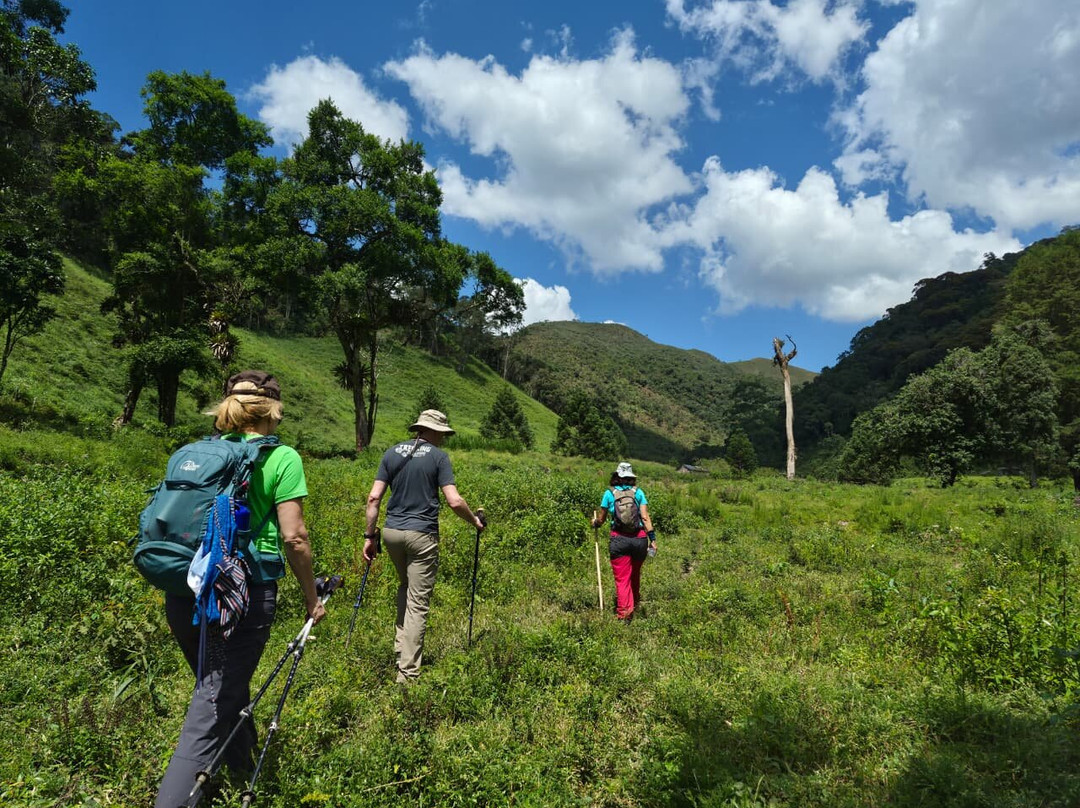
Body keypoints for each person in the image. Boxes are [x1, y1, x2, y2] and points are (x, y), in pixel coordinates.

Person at [155, 370, 325, 808]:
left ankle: (239, 766)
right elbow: (295, 538)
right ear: (273, 410)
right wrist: (311, 598)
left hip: (185, 589)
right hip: (242, 595)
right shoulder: (281, 457)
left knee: (224, 685)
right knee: (212, 703)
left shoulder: (196, 452)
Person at [362, 409, 486, 683]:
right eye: (442, 434)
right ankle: (408, 674)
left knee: (405, 588)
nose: (444, 439)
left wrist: (369, 537)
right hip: (422, 536)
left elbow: (373, 499)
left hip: (392, 533)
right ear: (433, 431)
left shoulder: (391, 453)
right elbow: (453, 501)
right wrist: (474, 521)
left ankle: (400, 650)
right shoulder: (439, 457)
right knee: (418, 602)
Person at [591, 461, 656, 621]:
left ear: (617, 476)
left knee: (622, 579)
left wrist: (595, 523)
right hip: (639, 540)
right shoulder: (638, 493)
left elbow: (601, 519)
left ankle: (624, 613)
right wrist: (652, 540)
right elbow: (645, 517)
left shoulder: (609, 494)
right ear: (631, 477)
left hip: (619, 540)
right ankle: (635, 604)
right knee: (634, 575)